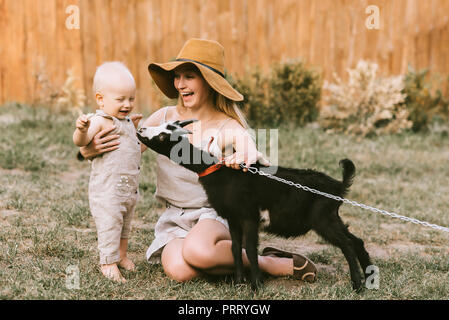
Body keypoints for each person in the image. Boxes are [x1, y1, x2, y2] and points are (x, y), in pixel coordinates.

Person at [80, 39, 317, 284]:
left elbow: (248, 147)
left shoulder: (227, 125)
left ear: (209, 82)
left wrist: (247, 156)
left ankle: (271, 262)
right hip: (176, 218)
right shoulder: (162, 118)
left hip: (215, 215)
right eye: (177, 76)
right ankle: (230, 258)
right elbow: (127, 150)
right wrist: (89, 150)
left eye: (189, 76)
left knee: (198, 251)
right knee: (180, 271)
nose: (180, 84)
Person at [74, 61, 142, 283]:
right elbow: (81, 143)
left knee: (125, 226)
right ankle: (108, 262)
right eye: (120, 99)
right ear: (100, 99)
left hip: (129, 190)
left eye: (131, 98)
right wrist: (81, 130)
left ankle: (121, 255)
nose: (127, 104)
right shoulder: (100, 121)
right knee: (110, 225)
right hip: (108, 191)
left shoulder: (127, 121)